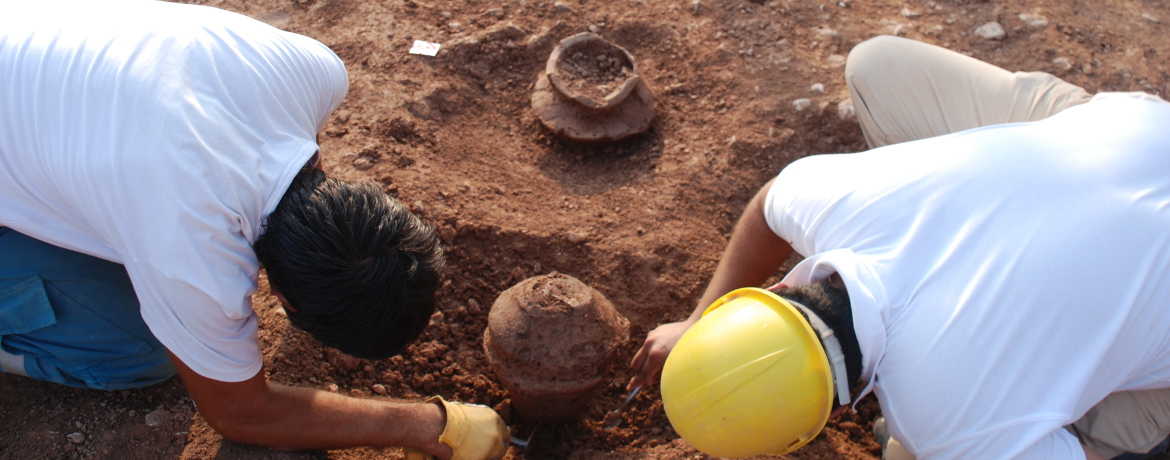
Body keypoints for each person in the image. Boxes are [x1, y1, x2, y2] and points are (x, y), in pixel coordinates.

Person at [0, 2, 506, 459]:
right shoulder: (191, 242)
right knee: (139, 349)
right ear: (283, 298)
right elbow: (239, 413)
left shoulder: (315, 72)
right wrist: (431, 424)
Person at [629, 35, 1170, 460]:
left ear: (833, 414)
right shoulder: (838, 203)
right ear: (776, 290)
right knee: (876, 64)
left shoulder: (949, 425)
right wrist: (696, 321)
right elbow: (770, 207)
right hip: (1139, 136)